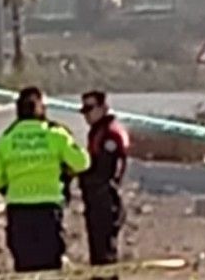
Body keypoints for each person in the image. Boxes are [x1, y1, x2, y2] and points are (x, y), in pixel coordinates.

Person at [0, 86, 90, 273]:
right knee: (50, 264)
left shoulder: (6, 140)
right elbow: (82, 163)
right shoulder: (55, 135)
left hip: (19, 209)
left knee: (24, 265)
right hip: (48, 207)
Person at [78, 90, 130, 278]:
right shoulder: (98, 131)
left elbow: (105, 171)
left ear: (103, 108)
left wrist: (82, 174)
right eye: (84, 110)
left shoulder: (109, 134)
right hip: (97, 200)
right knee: (98, 253)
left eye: (90, 108)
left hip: (105, 200)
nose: (86, 115)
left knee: (105, 254)